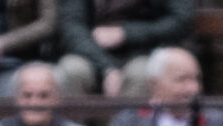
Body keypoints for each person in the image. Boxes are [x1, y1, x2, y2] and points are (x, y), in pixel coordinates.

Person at [60, 0, 194, 100]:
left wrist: (126, 33)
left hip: (144, 50)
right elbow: (72, 27)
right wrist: (107, 68)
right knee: (71, 69)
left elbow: (180, 21)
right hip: (91, 52)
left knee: (143, 73)